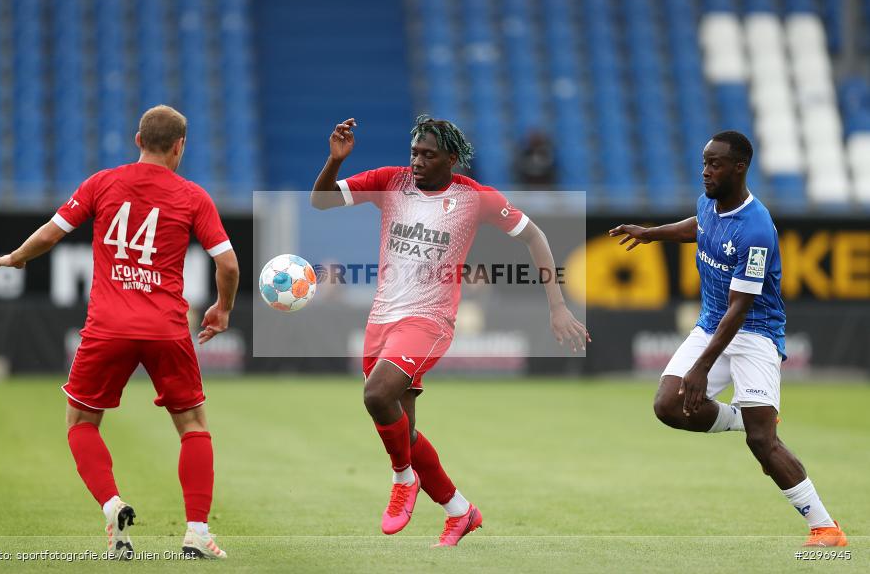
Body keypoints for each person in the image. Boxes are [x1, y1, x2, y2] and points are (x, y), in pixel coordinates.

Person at [311, 115, 590, 546]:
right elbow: (322, 201)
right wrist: (334, 161)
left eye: (428, 154)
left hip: (430, 320)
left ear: (452, 160)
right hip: (382, 318)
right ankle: (460, 511)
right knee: (404, 430)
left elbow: (536, 238)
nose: (418, 161)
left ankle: (403, 479)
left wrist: (557, 307)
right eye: (414, 153)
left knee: (376, 395)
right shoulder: (391, 182)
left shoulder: (474, 198)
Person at [0, 105, 239, 559]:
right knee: (192, 426)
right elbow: (228, 263)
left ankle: (111, 504)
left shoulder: (102, 183)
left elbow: (51, 233)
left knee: (82, 422)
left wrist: (18, 257)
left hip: (108, 326)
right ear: (180, 146)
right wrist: (222, 310)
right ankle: (198, 533)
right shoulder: (193, 196)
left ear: (137, 139)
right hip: (166, 328)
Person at [609, 131, 847, 548]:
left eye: (715, 163)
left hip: (754, 334)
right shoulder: (709, 202)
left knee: (763, 443)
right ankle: (744, 417)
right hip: (710, 326)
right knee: (668, 405)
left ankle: (825, 528)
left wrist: (701, 367)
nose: (706, 171)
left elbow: (740, 309)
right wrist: (651, 234)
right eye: (704, 162)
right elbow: (697, 226)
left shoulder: (757, 229)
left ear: (739, 167)